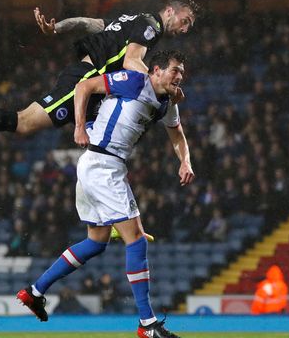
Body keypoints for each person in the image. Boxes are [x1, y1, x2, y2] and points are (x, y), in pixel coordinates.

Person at [16, 49, 194, 338]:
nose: (179, 77)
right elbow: (84, 86)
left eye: (182, 73)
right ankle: (147, 324)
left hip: (99, 166)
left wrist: (185, 160)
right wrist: (79, 127)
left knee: (96, 242)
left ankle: (35, 292)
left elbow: (177, 133)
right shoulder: (134, 81)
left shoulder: (165, 103)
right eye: (175, 70)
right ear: (156, 70)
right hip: (102, 164)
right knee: (135, 240)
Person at [0, 0, 200, 160]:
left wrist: (59, 27)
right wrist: (159, 85)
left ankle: (112, 212)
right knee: (25, 123)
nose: (185, 29)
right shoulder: (150, 27)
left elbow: (95, 24)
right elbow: (132, 61)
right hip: (87, 78)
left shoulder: (137, 19)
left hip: (98, 88)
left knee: (108, 147)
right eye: (185, 21)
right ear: (170, 11)